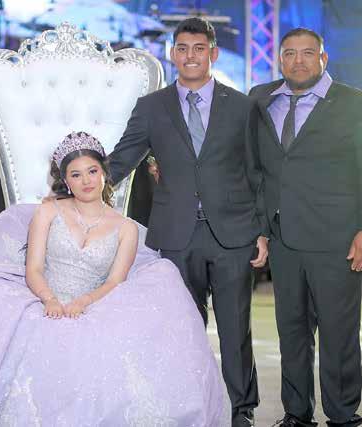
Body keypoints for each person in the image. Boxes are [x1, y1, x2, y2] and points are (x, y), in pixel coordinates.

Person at [0, 131, 231, 425]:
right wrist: (49, 299)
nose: (86, 181)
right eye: (76, 175)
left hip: (94, 303)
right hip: (43, 297)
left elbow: (114, 281)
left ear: (104, 173)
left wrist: (84, 302)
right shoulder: (49, 211)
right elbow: (34, 268)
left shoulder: (126, 228)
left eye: (92, 171)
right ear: (65, 180)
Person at [107, 17, 267, 426]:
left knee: (236, 329)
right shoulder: (151, 107)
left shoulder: (242, 106)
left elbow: (258, 172)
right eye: (182, 48)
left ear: (213, 53)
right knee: (182, 328)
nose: (190, 56)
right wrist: (74, 183)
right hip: (176, 235)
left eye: (199, 48)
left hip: (232, 234)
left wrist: (262, 231)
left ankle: (241, 410)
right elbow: (123, 159)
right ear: (172, 53)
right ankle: (189, 405)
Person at [248, 28, 362, 427]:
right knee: (291, 332)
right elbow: (254, 168)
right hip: (284, 238)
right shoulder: (259, 99)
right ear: (280, 59)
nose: (299, 61)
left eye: (308, 53)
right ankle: (297, 414)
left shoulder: (356, 103)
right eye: (290, 53)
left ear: (323, 59)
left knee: (338, 333)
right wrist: (260, 227)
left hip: (337, 239)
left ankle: (342, 416)